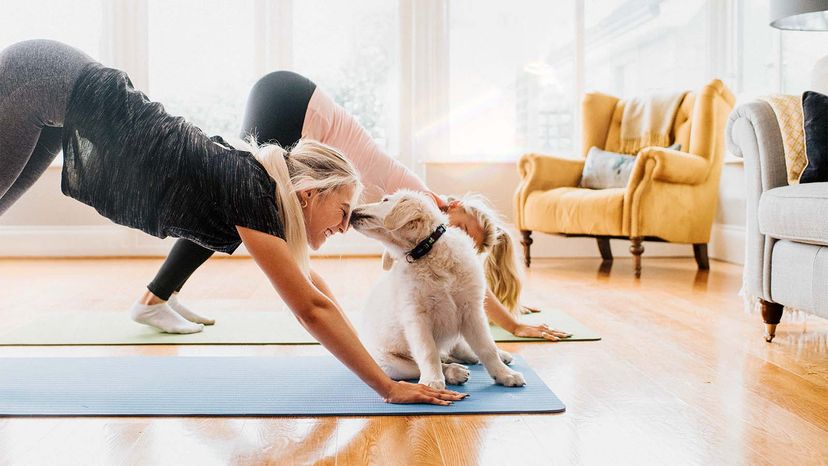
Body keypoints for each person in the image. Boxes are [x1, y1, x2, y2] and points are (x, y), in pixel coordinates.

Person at [0, 39, 466, 405]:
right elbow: (310, 308)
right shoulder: (255, 192)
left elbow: (316, 291)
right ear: (309, 194)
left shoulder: (263, 192)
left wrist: (372, 363)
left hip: (58, 90)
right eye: (342, 213)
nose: (346, 226)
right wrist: (387, 388)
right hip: (44, 78)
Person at [137, 70, 570, 341]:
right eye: (461, 228)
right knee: (240, 204)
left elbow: (452, 276)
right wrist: (511, 324)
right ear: (451, 206)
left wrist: (506, 310)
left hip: (288, 96)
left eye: (464, 241)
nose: (453, 239)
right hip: (294, 102)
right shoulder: (421, 201)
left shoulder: (412, 222)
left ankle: (164, 294)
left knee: (236, 202)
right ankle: (154, 299)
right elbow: (458, 274)